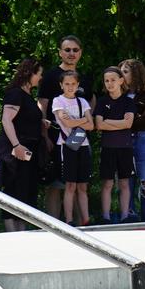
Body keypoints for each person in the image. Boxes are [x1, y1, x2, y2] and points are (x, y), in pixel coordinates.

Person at [38, 36, 90, 215]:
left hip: (80, 136)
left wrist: (85, 126)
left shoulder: (84, 77)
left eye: (75, 50)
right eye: (67, 50)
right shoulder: (51, 76)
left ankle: (78, 228)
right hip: (55, 135)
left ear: (80, 53)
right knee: (55, 183)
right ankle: (53, 226)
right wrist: (44, 135)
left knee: (76, 182)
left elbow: (92, 102)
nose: (71, 53)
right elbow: (42, 105)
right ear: (60, 52)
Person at [0, 59, 43, 230]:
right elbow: (6, 119)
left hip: (28, 152)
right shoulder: (15, 93)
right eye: (39, 74)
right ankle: (12, 234)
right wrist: (16, 145)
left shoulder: (28, 96)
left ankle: (22, 233)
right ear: (30, 73)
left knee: (25, 192)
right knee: (12, 190)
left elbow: (25, 118)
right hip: (14, 152)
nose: (40, 78)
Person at [93, 67, 138, 223]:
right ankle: (106, 216)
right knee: (107, 183)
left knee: (124, 182)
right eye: (107, 80)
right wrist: (118, 123)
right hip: (108, 147)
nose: (110, 83)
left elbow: (128, 123)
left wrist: (108, 122)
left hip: (125, 147)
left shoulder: (128, 101)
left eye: (113, 80)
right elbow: (99, 125)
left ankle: (125, 215)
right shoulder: (102, 101)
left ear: (121, 81)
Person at [119, 59, 145, 221]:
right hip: (122, 141)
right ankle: (129, 217)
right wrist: (132, 119)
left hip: (143, 140)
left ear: (135, 74)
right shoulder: (117, 94)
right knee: (125, 182)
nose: (121, 75)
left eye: (126, 71)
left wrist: (126, 122)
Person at [51, 70, 94, 225]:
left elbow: (91, 125)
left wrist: (76, 120)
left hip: (83, 145)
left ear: (78, 85)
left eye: (73, 84)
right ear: (61, 85)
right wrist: (82, 120)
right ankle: (69, 220)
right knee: (70, 185)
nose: (70, 87)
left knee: (83, 186)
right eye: (67, 84)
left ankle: (86, 219)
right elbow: (67, 123)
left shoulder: (83, 102)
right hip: (66, 145)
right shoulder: (57, 101)